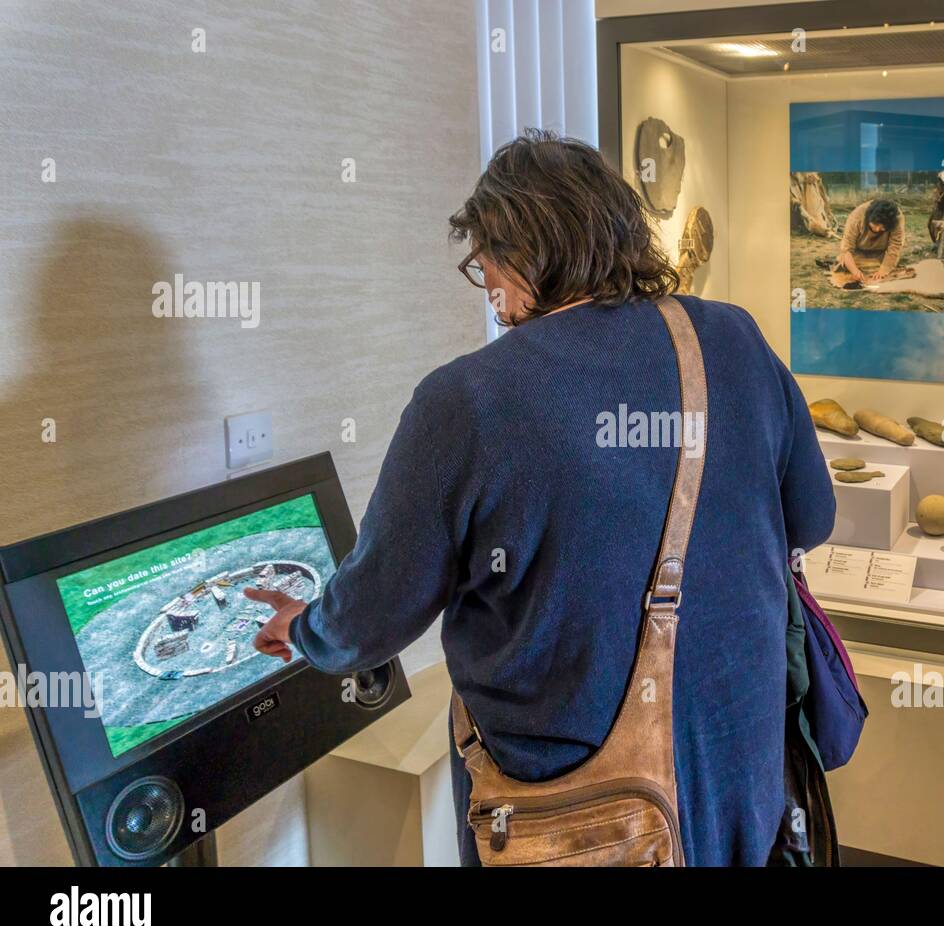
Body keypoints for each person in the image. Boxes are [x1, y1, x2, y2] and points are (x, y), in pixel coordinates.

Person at [244, 129, 836, 866]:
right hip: (743, 771)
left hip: (580, 817)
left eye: (482, 264)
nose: (488, 291)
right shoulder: (732, 337)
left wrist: (307, 631)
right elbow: (812, 517)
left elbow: (373, 612)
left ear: (521, 254)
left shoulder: (468, 400)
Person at [836, 197, 905, 284]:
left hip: (882, 253)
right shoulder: (857, 216)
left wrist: (884, 270)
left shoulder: (897, 218)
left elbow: (895, 245)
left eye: (882, 228)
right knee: (845, 263)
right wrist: (855, 271)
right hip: (858, 251)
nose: (877, 229)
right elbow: (846, 248)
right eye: (875, 225)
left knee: (887, 269)